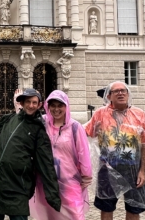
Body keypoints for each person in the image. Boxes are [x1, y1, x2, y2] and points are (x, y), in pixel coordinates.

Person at [0, 88, 61, 220]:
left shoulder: (39, 131)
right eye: (28, 102)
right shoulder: (10, 120)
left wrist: (53, 196)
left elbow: (46, 165)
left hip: (18, 187)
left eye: (34, 102)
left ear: (39, 105)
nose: (31, 105)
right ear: (22, 103)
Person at [84, 81, 145, 220]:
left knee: (134, 207)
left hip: (133, 170)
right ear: (109, 96)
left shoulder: (139, 114)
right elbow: (84, 132)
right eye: (116, 91)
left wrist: (142, 171)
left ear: (128, 94)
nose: (120, 93)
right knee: (106, 207)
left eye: (123, 90)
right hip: (106, 170)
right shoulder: (100, 114)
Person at [28, 90, 92, 220]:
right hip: (45, 180)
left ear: (66, 106)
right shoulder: (43, 123)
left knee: (75, 214)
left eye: (60, 105)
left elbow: (83, 153)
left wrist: (86, 176)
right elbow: (26, 121)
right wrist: (18, 105)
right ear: (48, 106)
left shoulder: (75, 127)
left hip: (69, 181)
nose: (56, 109)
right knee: (49, 214)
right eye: (53, 105)